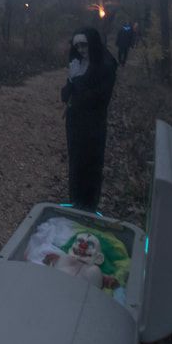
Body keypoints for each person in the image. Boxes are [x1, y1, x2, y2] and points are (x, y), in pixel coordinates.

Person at [60, 27, 117, 212]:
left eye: (84, 45)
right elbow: (65, 95)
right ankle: (75, 204)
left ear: (92, 42)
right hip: (74, 122)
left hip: (93, 125)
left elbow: (99, 99)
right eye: (77, 46)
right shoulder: (79, 62)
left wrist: (76, 82)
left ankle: (89, 208)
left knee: (90, 166)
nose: (81, 50)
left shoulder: (106, 65)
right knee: (75, 164)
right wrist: (71, 80)